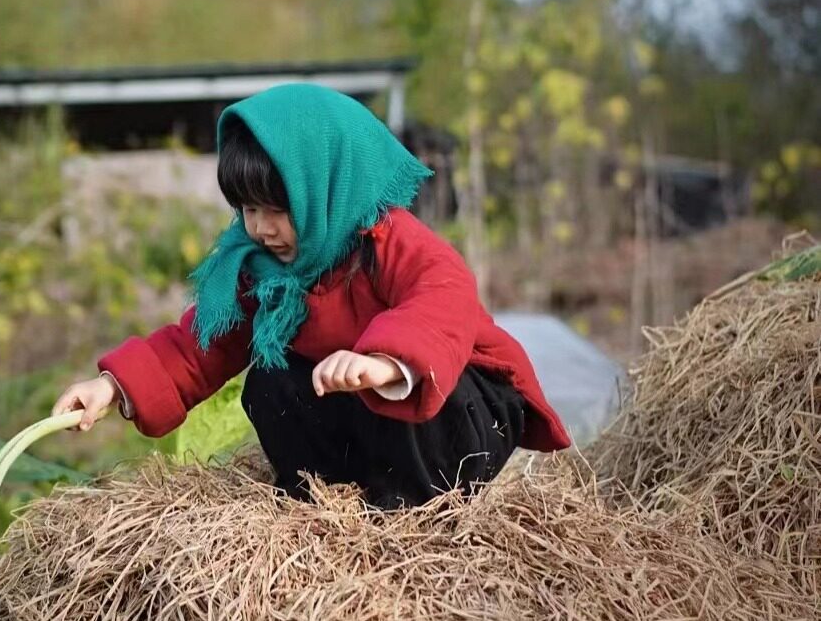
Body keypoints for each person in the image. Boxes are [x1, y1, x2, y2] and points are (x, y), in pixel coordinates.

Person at [53, 83, 570, 509]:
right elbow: (197, 347)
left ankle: (419, 507)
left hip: (461, 411)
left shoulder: (389, 240)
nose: (259, 228)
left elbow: (444, 298)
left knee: (420, 395)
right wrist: (113, 386)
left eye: (276, 209)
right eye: (247, 210)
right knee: (272, 381)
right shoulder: (264, 269)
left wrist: (385, 362)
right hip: (368, 416)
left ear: (323, 189)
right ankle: (325, 499)